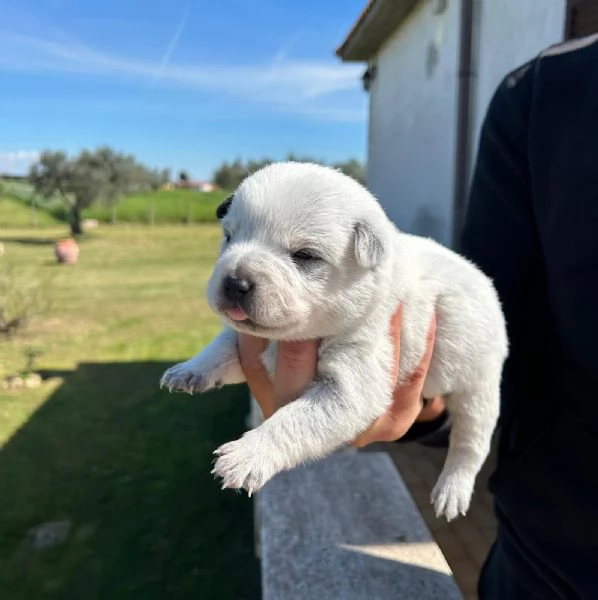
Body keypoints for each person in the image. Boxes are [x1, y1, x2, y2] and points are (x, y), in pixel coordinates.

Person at [239, 33, 598, 600]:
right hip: (543, 563)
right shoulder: (545, 93)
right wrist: (426, 413)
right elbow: (502, 348)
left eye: (305, 254)